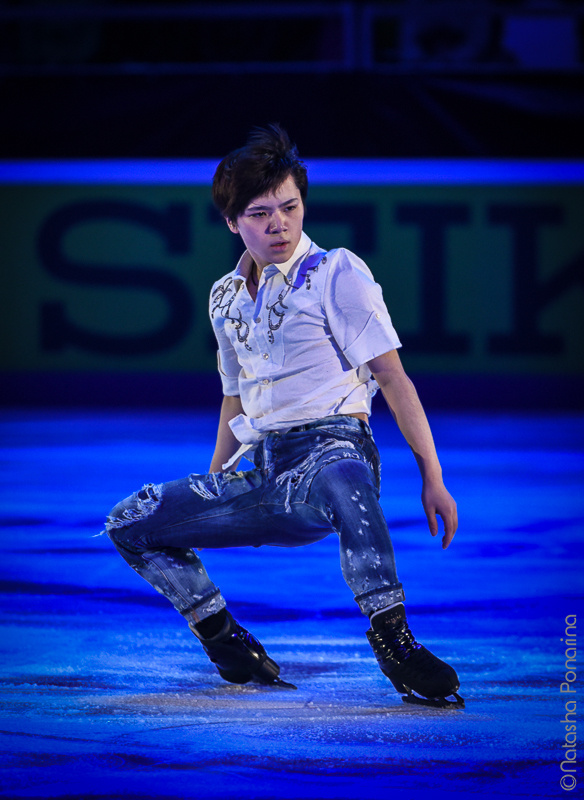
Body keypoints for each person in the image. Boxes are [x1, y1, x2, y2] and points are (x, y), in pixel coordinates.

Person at [104, 124, 463, 708]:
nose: (279, 224)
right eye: (260, 213)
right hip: (267, 469)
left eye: (290, 207)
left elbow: (394, 377)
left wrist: (433, 477)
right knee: (130, 521)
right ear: (232, 221)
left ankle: (395, 641)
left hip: (334, 451)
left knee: (343, 476)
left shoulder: (337, 272)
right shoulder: (224, 297)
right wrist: (215, 479)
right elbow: (234, 396)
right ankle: (224, 641)